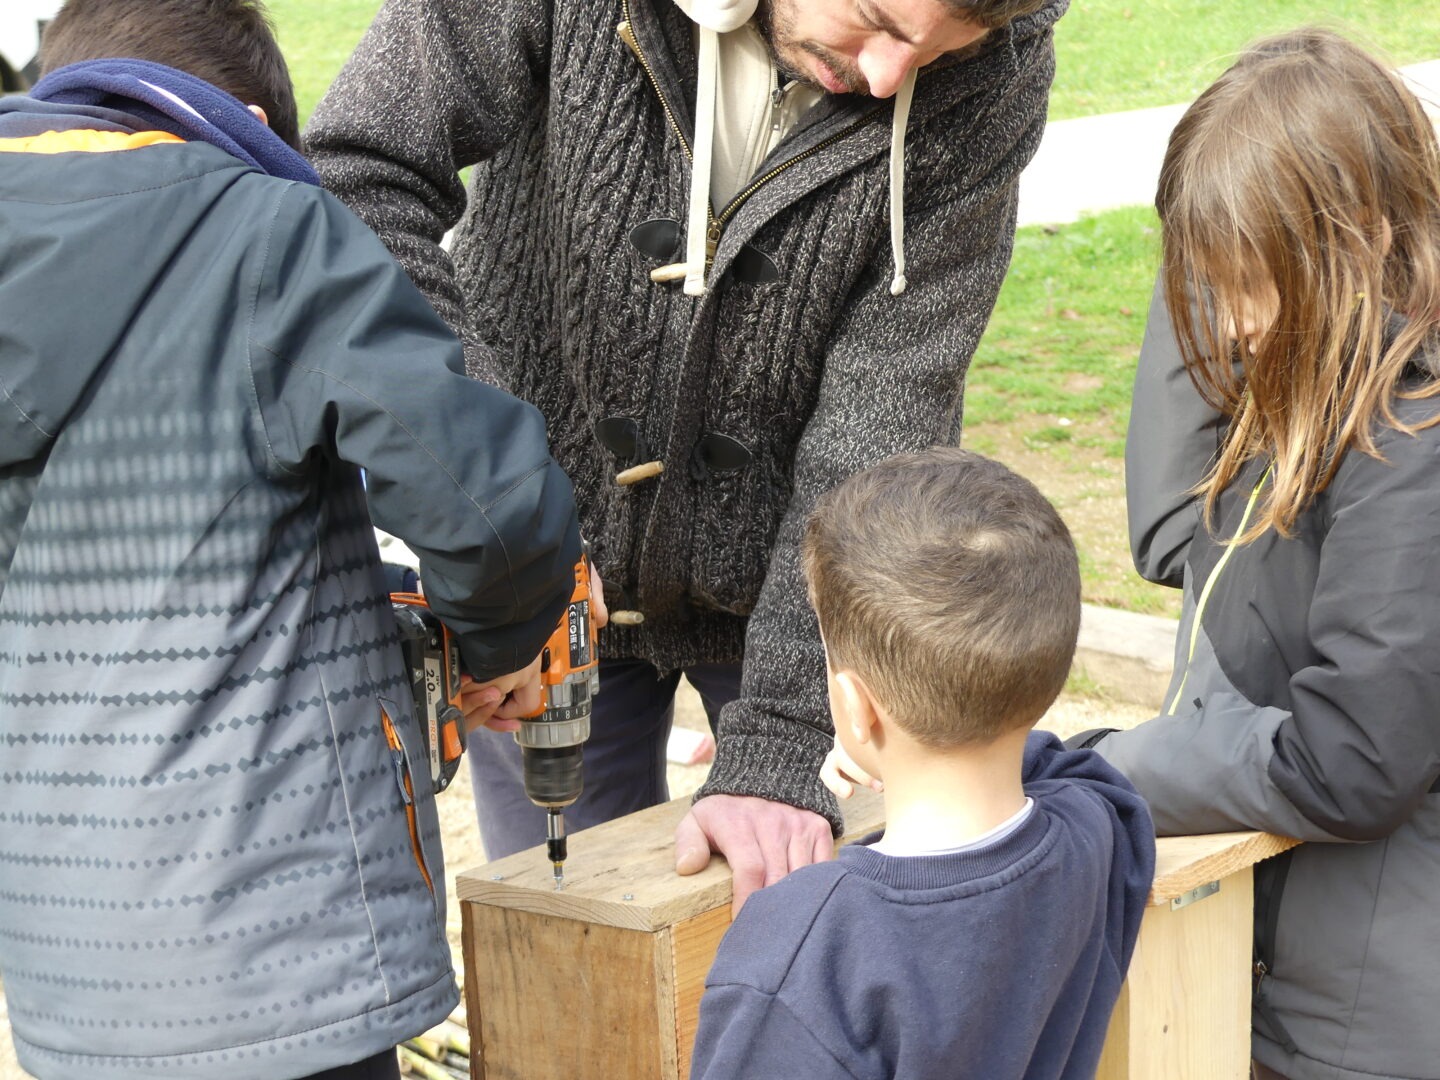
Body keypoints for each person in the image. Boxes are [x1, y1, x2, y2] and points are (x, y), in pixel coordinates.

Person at [305, 0, 1068, 909]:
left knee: (782, 945)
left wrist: (788, 732)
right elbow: (357, 172)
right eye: (874, 19)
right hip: (535, 572)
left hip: (795, 592)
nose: (887, 77)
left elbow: (891, 401)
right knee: (570, 945)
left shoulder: (1002, 59)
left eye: (941, 49)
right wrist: (495, 518)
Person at [0, 1, 583, 1077]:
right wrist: (501, 646)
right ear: (254, 118)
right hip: (286, 966)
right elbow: (490, 506)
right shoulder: (263, 230)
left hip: (67, 979)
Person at [1076, 28, 1440, 1080]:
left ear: (1361, 239)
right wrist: (1219, 211)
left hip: (1367, 1030)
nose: (1229, 327)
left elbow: (1354, 761)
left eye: (1248, 282)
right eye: (1205, 283)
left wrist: (1110, 768)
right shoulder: (1315, 380)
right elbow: (1171, 533)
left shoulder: (1411, 441)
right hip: (1291, 974)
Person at [686, 447, 1155, 1079]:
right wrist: (927, 742)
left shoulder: (804, 951)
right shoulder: (1097, 829)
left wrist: (889, 747)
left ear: (855, 707)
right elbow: (1072, 769)